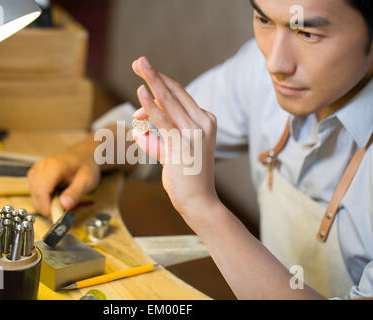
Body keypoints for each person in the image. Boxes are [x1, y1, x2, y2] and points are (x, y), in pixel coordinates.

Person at [28, 0, 373, 299]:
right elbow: (162, 132)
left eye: (308, 33)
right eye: (264, 20)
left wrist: (201, 206)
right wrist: (89, 154)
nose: (276, 62)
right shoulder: (259, 67)